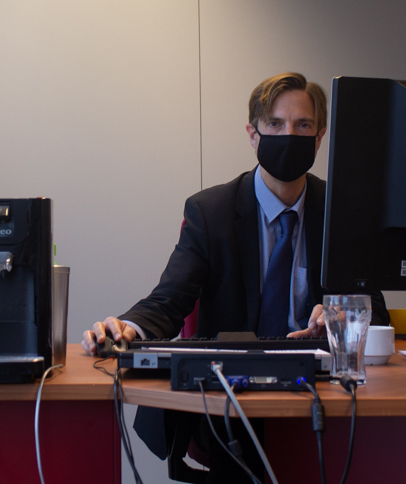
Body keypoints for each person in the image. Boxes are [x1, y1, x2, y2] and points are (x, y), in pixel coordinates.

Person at [81, 71, 390, 482]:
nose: (289, 135)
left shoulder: (342, 212)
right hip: (233, 396)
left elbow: (375, 312)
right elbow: (169, 300)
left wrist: (337, 317)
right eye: (276, 125)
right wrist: (125, 327)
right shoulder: (212, 212)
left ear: (319, 139)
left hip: (321, 394)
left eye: (303, 126)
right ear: (253, 133)